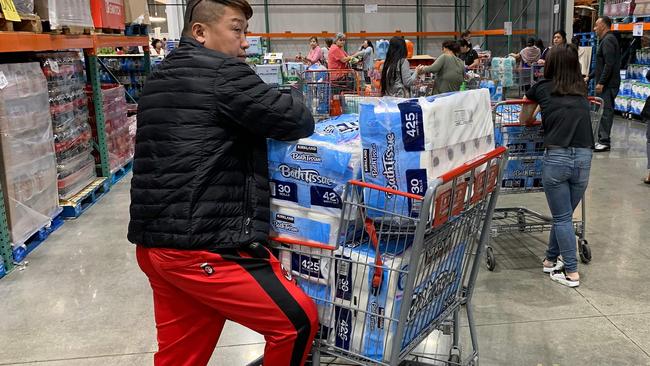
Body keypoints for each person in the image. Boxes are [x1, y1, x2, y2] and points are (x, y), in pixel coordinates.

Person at [128, 0, 318, 365]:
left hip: (156, 247)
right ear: (200, 32)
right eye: (236, 29)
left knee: (182, 355)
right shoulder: (224, 74)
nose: (245, 42)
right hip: (201, 246)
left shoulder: (159, 77)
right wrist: (292, 92)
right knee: (296, 323)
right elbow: (297, 120)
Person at [519, 44, 594, 288]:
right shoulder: (581, 88)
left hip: (557, 157)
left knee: (562, 218)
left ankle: (571, 272)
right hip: (584, 158)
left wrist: (540, 110)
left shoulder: (541, 88)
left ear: (550, 64)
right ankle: (550, 259)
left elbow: (524, 119)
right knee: (563, 215)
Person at [588, 16, 621, 152]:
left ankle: (604, 141)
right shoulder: (606, 40)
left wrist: (601, 82)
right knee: (602, 111)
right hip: (606, 83)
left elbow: (609, 64)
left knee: (606, 112)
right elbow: (601, 65)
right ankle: (601, 139)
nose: (594, 28)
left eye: (596, 25)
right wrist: (589, 77)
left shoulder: (608, 41)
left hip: (608, 85)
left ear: (604, 26)